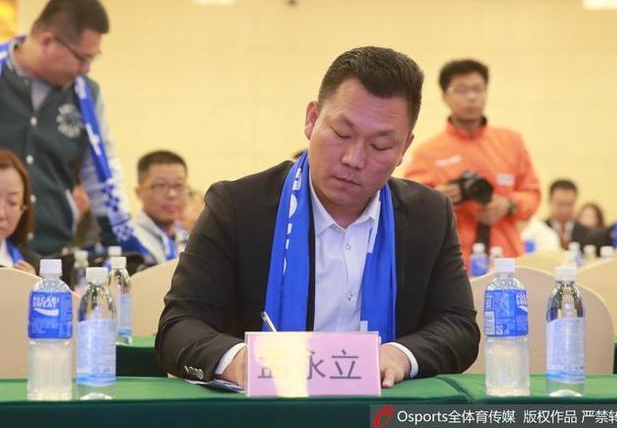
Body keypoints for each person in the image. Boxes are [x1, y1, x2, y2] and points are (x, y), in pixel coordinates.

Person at [156, 47, 480, 389]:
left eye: (381, 146)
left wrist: (400, 355)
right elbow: (179, 327)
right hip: (264, 409)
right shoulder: (238, 207)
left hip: (381, 409)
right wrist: (239, 361)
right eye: (342, 134)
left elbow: (457, 326)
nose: (354, 159)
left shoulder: (428, 215)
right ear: (312, 119)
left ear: (403, 149)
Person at [0, 0, 143, 256]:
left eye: (92, 58)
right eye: (82, 57)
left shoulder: (86, 95)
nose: (86, 69)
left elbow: (103, 173)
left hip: (53, 254)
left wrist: (121, 243)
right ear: (47, 41)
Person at [404, 59, 541, 265]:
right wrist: (438, 200)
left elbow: (533, 194)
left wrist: (508, 204)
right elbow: (412, 208)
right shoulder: (427, 152)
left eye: (478, 89)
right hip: (451, 260)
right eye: (461, 90)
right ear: (444, 96)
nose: (471, 97)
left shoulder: (511, 142)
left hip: (507, 259)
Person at [134, 150, 189, 265]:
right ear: (139, 192)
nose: (172, 194)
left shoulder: (188, 240)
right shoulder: (131, 240)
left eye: (179, 185)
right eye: (161, 185)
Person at [0, 149, 39, 273]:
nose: (1, 214)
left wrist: (31, 283)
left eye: (12, 202)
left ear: (23, 210)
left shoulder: (31, 265)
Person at [544, 179, 590, 249]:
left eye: (569, 204)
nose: (565, 210)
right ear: (549, 200)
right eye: (560, 204)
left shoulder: (587, 234)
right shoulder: (540, 231)